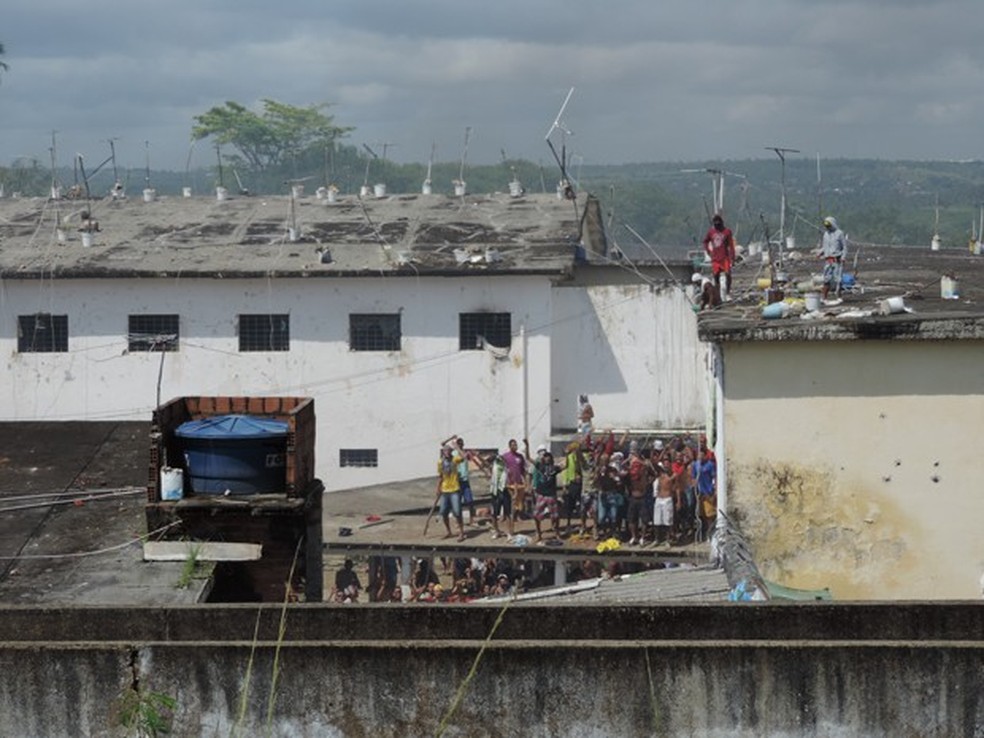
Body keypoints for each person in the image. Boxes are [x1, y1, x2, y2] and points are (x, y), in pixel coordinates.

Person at [531, 451, 563, 544]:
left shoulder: (555, 468)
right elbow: (529, 458)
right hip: (541, 494)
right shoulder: (540, 466)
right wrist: (527, 445)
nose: (547, 458)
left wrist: (568, 455)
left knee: (555, 516)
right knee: (536, 515)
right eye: (545, 457)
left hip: (551, 495)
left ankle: (557, 533)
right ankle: (538, 533)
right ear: (543, 459)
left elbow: (565, 466)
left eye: (549, 457)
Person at [436, 444, 467, 542]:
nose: (447, 452)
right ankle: (449, 531)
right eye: (445, 451)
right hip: (445, 490)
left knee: (457, 512)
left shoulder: (455, 459)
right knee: (444, 512)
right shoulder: (440, 462)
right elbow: (440, 476)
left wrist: (457, 448)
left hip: (454, 489)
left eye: (449, 450)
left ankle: (461, 532)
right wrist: (438, 488)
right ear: (443, 452)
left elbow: (464, 457)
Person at [702, 213, 735, 300]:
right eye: (715, 222)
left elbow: (731, 245)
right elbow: (705, 241)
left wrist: (733, 257)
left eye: (718, 222)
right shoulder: (711, 232)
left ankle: (728, 293)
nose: (717, 224)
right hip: (715, 259)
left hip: (725, 258)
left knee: (728, 275)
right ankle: (718, 295)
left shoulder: (727, 232)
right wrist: (709, 251)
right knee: (716, 277)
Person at [818, 215, 847, 301]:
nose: (828, 228)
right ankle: (824, 297)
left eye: (829, 225)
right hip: (828, 260)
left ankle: (839, 296)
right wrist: (820, 252)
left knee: (838, 279)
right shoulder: (826, 234)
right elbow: (825, 246)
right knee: (826, 279)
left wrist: (843, 257)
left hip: (837, 259)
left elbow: (844, 247)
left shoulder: (839, 233)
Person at [502, 438, 528, 533]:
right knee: (511, 505)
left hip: (519, 484)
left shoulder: (520, 457)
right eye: (513, 445)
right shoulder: (505, 456)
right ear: (509, 446)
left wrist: (526, 482)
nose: (514, 446)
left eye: (515, 444)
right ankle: (510, 529)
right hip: (510, 485)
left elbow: (523, 471)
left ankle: (514, 522)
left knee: (518, 505)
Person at [487, 453, 511, 538]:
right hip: (495, 491)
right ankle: (497, 531)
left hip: (504, 490)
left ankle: (509, 532)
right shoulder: (493, 466)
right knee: (494, 513)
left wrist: (500, 457)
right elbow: (487, 462)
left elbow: (504, 460)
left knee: (507, 513)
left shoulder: (505, 467)